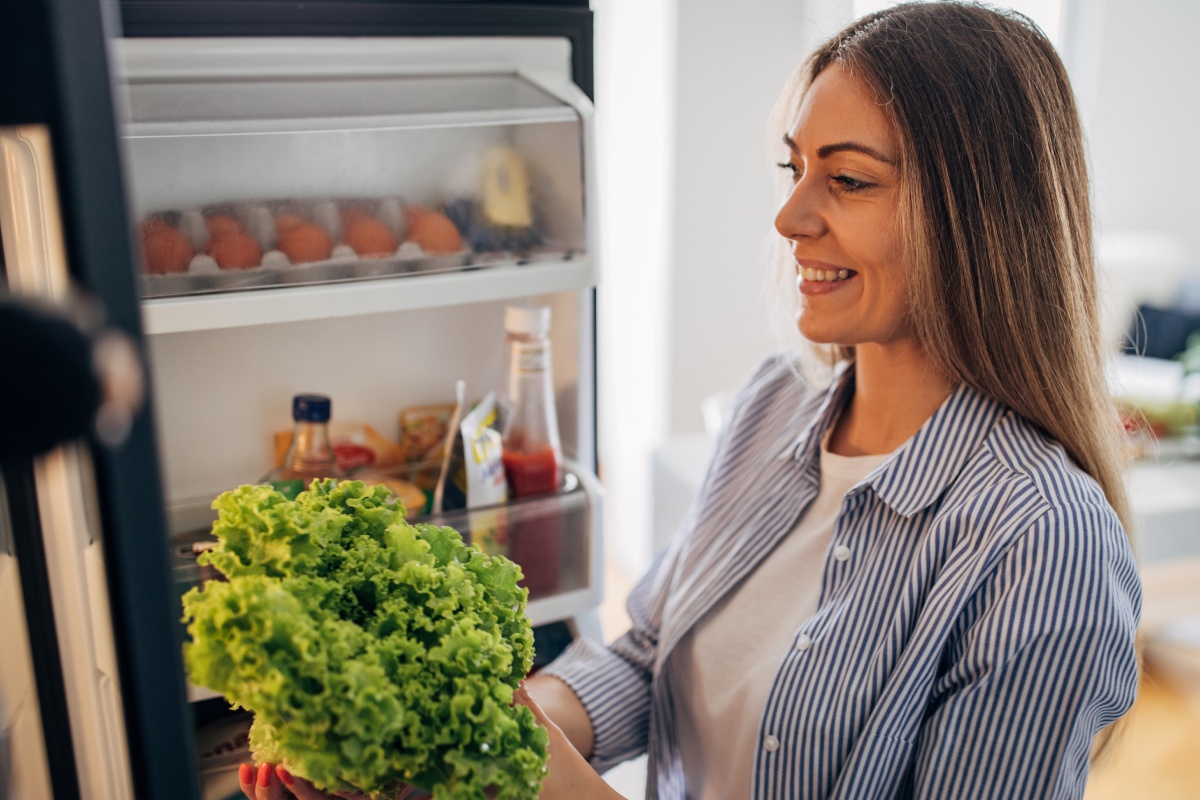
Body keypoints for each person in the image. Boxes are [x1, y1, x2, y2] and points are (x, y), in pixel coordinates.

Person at [241, 3, 1141, 798]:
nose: (791, 217)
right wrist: (478, 741)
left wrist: (555, 789)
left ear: (978, 215)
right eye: (793, 170)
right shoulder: (775, 407)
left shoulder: (1043, 544)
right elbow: (645, 657)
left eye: (850, 179)